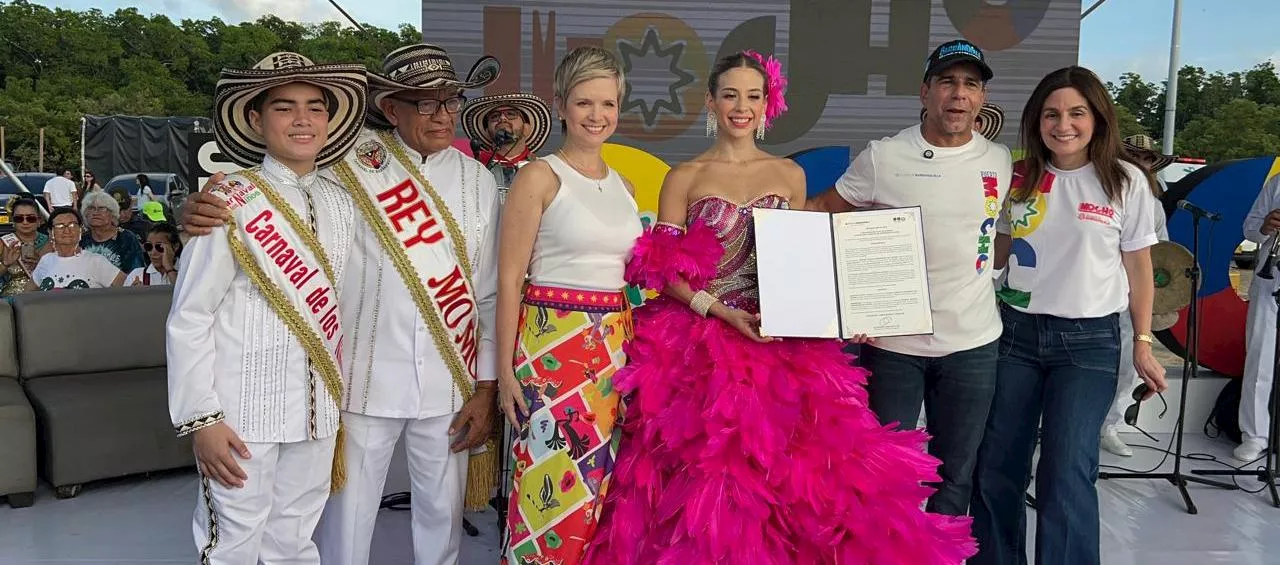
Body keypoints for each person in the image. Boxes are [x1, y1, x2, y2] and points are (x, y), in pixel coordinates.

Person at [585, 50, 976, 565]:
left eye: (753, 95)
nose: (741, 107)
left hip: (782, 345)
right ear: (711, 101)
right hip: (700, 348)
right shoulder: (684, 176)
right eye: (730, 95)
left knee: (806, 485)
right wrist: (720, 312)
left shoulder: (790, 175)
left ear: (768, 105)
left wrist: (848, 307)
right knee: (706, 490)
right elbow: (663, 271)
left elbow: (804, 260)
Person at [182, 43, 504, 565]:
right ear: (391, 107)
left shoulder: (480, 181)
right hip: (360, 377)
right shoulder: (345, 161)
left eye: (450, 100)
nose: (442, 114)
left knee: (441, 521)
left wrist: (485, 385)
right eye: (425, 102)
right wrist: (194, 208)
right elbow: (273, 196)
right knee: (342, 523)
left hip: (450, 377)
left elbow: (486, 290)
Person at [166, 51, 366, 564]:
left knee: (295, 542)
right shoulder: (228, 199)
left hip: (316, 411)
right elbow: (190, 315)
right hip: (242, 414)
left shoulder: (343, 202)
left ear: (330, 119)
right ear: (256, 120)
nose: (302, 119)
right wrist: (201, 419)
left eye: (315, 107)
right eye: (284, 107)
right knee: (233, 542)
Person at [807, 39, 1013, 517]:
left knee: (955, 474)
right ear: (925, 92)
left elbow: (995, 235)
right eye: (947, 82)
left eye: (970, 84)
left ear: (981, 97)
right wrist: (843, 301)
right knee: (883, 473)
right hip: (893, 347)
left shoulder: (1000, 161)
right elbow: (819, 213)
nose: (958, 95)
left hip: (973, 345)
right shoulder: (884, 157)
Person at [972, 65, 1169, 565]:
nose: (1064, 124)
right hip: (1013, 337)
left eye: (1077, 113)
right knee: (998, 466)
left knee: (1066, 469)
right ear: (1036, 121)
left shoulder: (1126, 181)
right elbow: (993, 248)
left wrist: (1143, 341)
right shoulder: (1016, 177)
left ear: (1098, 118)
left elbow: (1140, 267)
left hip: (1087, 346)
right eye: (1051, 113)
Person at [494, 46, 643, 565]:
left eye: (608, 103)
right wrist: (505, 372)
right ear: (560, 105)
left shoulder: (625, 186)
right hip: (551, 352)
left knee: (602, 485)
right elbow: (510, 277)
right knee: (548, 485)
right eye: (584, 103)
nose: (597, 115)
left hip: (613, 356)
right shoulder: (540, 176)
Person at [1099, 133, 1174, 457]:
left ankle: (1109, 426)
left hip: (1130, 299)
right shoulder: (1103, 191)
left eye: (1145, 159)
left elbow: (1162, 256)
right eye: (1132, 157)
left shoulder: (1155, 206)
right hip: (1098, 294)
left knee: (1127, 367)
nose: (1139, 163)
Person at [1239, 167, 1280, 461]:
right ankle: (1254, 435)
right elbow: (1249, 229)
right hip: (1271, 279)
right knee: (1259, 356)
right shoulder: (1277, 184)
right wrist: (1265, 226)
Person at [460, 89, 552, 203]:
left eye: (511, 114)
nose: (502, 118)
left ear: (527, 129)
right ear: (486, 131)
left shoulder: (545, 171)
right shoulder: (472, 169)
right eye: (494, 116)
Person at [29, 206, 124, 290]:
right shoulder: (46, 260)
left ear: (80, 230)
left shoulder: (96, 261)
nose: (67, 230)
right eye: (60, 226)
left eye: (72, 225)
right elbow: (27, 294)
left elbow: (128, 286)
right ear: (50, 232)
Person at [79, 190, 147, 273]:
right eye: (91, 208)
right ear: (85, 214)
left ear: (113, 214)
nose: (95, 212)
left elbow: (136, 273)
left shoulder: (126, 238)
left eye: (101, 208)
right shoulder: (81, 240)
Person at [0, 197, 51, 296]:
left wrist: (40, 267)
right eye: (19, 218)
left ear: (39, 220)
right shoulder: (3, 243)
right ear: (12, 221)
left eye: (30, 218)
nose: (25, 222)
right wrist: (5, 265)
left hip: (44, 300)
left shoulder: (51, 243)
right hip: (10, 304)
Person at [125, 222, 181, 286]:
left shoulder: (188, 271)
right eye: (149, 246)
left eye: (159, 247)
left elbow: (184, 292)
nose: (153, 252)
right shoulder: (137, 275)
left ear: (176, 246)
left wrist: (169, 268)